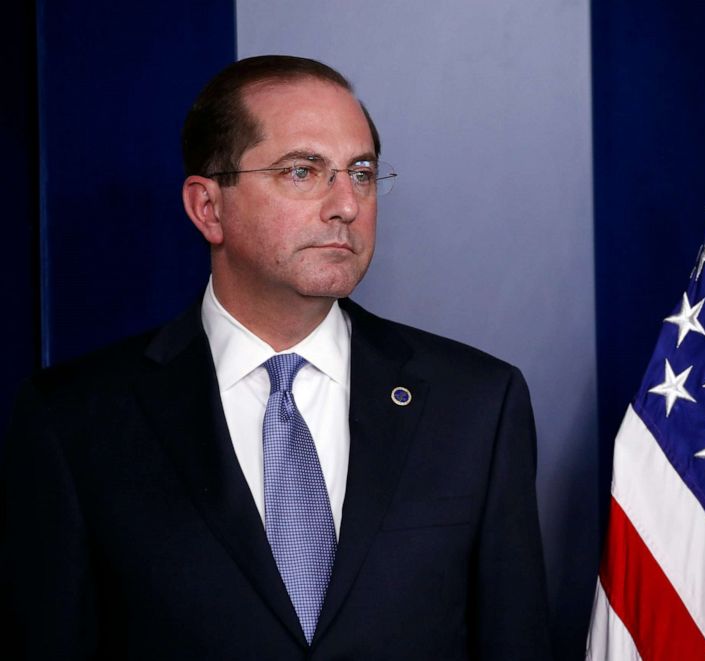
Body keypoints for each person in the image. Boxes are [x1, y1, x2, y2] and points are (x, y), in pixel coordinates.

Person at [0, 55, 551, 660]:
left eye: (361, 173)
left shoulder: (476, 403)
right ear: (208, 208)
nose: (346, 204)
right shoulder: (75, 420)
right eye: (302, 171)